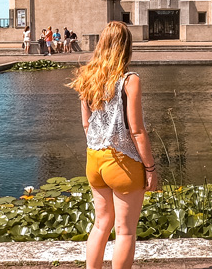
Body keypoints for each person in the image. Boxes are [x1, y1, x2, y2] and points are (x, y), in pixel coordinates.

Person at [66, 22, 159, 269]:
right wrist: (150, 168)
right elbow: (137, 131)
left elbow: (86, 125)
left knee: (100, 224)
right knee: (125, 231)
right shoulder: (130, 80)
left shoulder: (87, 77)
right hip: (122, 164)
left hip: (94, 160)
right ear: (127, 47)